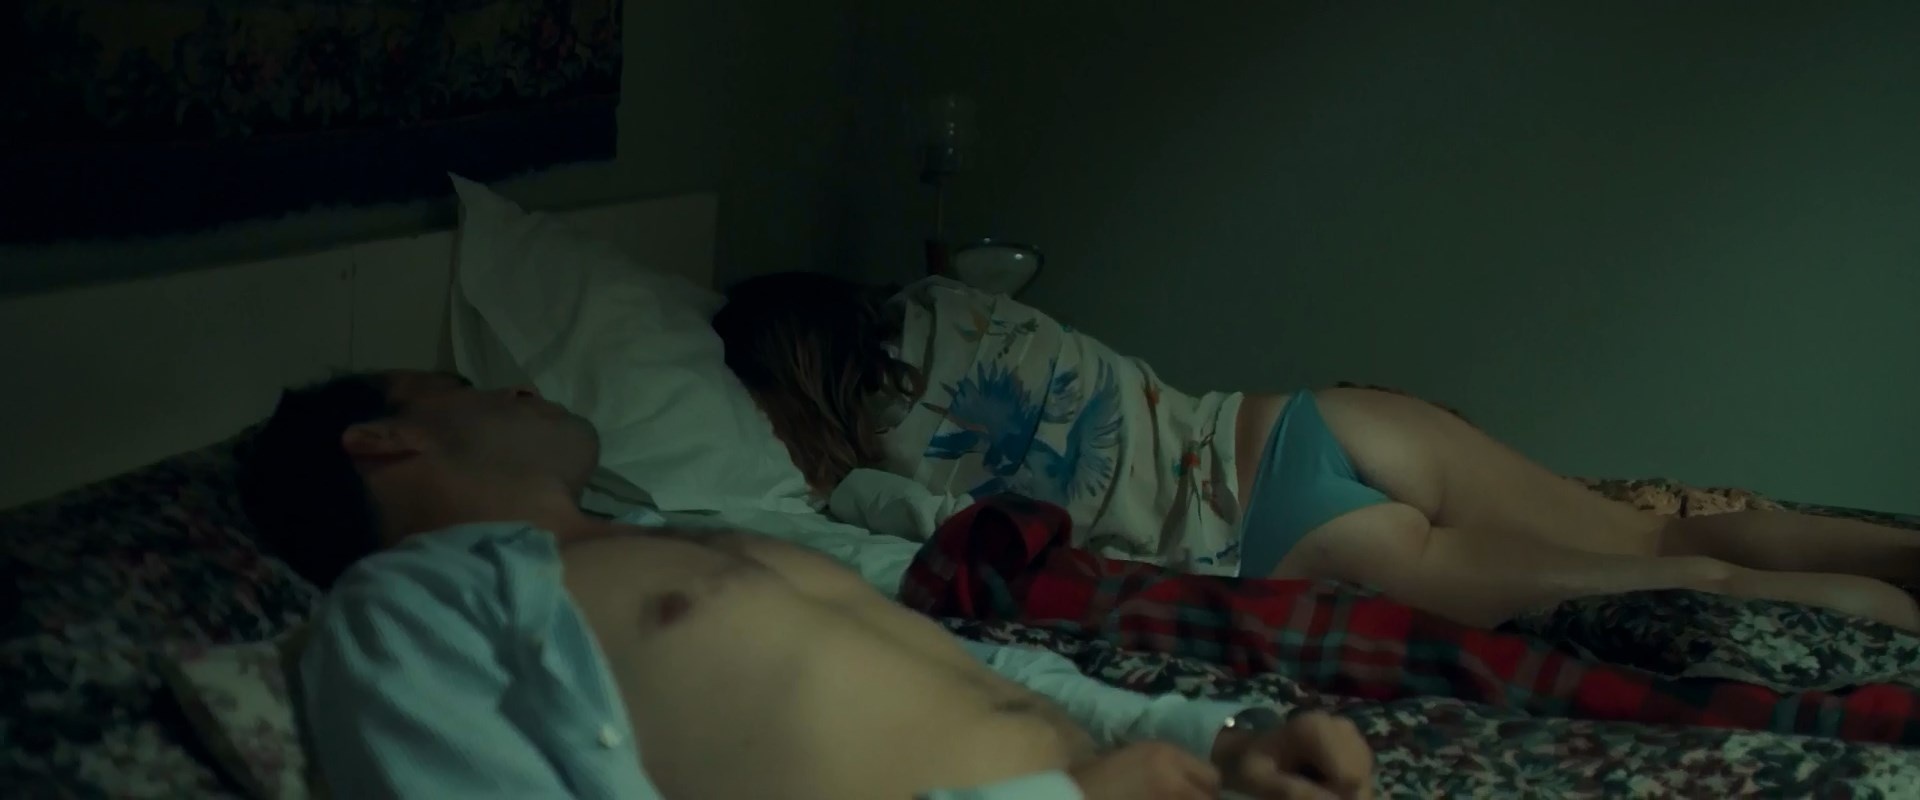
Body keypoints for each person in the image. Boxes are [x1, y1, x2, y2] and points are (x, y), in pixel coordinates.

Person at [238, 370, 1375, 800]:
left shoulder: (684, 541)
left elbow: (976, 677)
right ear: (382, 439)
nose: (519, 385)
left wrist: (1223, 740)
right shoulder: (404, 611)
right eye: (463, 382)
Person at [713, 272, 1920, 632]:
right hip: (1307, 419)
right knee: (1659, 537)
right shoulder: (950, 298)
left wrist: (827, 474)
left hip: (1277, 534)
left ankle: (1883, 617)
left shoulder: (868, 465)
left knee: (1674, 585)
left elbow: (948, 539)